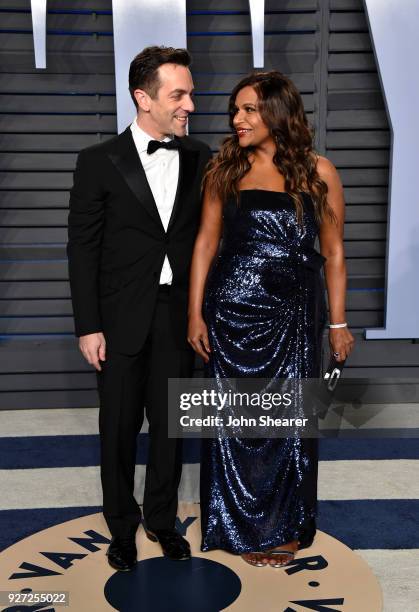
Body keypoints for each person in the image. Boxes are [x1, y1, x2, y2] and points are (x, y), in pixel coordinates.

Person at [187, 71, 354, 568]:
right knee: (234, 421)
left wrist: (339, 324)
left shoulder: (319, 171)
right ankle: (235, 524)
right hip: (231, 313)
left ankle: (284, 528)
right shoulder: (224, 168)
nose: (238, 119)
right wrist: (196, 313)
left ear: (278, 113)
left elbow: (335, 250)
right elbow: (205, 244)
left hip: (293, 315)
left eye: (249, 110)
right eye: (235, 110)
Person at [67, 46, 212, 571]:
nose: (190, 104)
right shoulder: (98, 161)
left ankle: (162, 520)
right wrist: (89, 326)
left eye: (190, 93)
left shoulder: (203, 158)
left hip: (179, 317)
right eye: (179, 94)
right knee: (119, 428)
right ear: (142, 97)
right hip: (119, 318)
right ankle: (122, 528)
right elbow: (82, 249)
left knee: (171, 429)